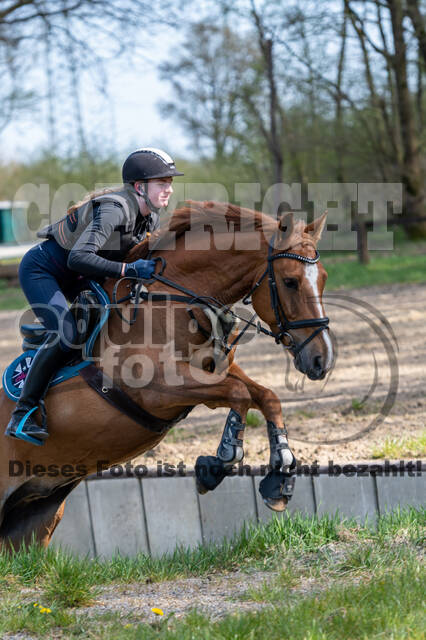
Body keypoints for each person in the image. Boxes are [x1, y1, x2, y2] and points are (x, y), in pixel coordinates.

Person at [5, 147, 183, 443]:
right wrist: (128, 269)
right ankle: (22, 412)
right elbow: (78, 258)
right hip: (43, 272)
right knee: (69, 333)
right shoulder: (115, 209)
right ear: (140, 187)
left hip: (79, 276)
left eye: (170, 182)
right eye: (162, 183)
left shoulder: (149, 217)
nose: (169, 189)